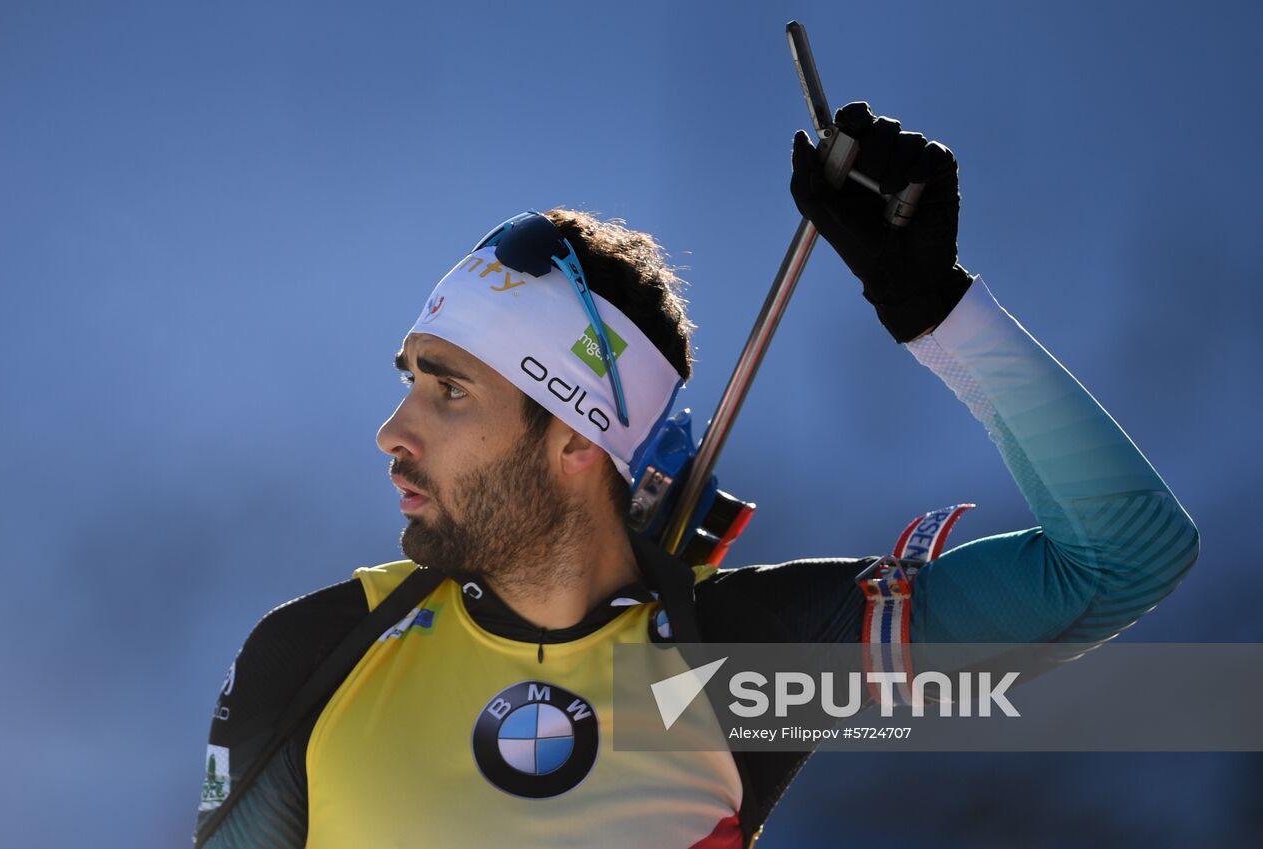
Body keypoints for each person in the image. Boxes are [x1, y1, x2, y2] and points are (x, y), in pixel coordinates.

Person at [193, 103, 1199, 848]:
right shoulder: (321, 651)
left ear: (577, 439)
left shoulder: (741, 664)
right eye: (409, 380)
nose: (390, 431)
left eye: (446, 391)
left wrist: (933, 308)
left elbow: (1119, 560)